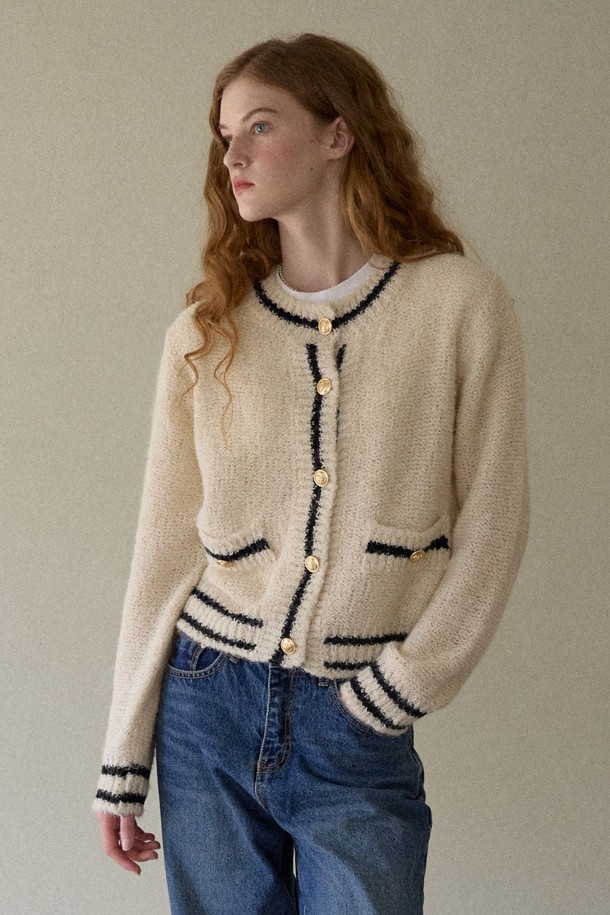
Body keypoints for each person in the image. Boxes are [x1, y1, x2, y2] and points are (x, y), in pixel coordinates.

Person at [93, 32, 529, 915]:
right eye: (226, 137)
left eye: (260, 127)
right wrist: (122, 756)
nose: (234, 157)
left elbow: (495, 523)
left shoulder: (457, 303)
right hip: (205, 702)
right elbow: (163, 551)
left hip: (357, 711)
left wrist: (400, 687)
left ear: (339, 133)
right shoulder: (206, 330)